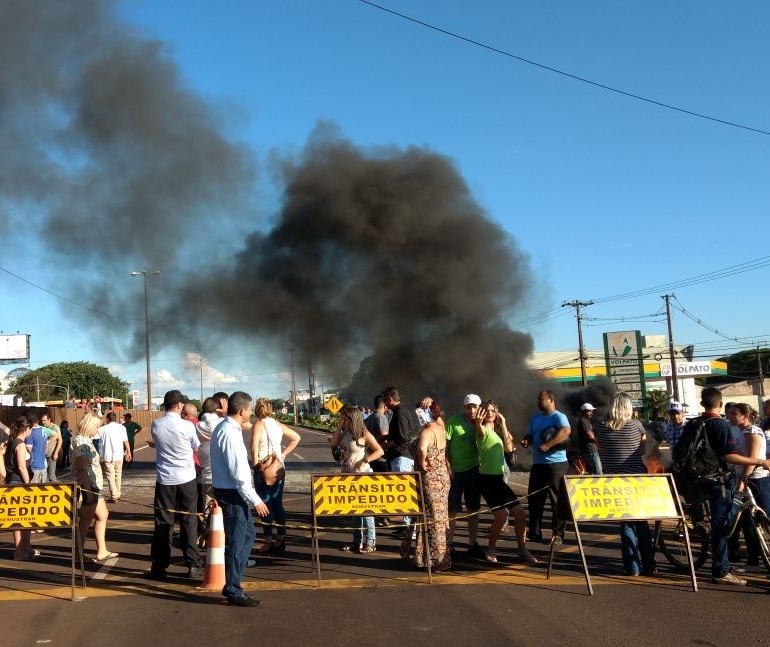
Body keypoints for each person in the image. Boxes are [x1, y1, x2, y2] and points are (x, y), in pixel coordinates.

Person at [680, 387, 770, 585]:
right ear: (720, 404)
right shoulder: (719, 424)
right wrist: (760, 461)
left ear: (702, 404)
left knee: (725, 519)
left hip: (696, 478)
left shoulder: (693, 422)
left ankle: (723, 549)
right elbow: (728, 456)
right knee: (722, 526)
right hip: (717, 480)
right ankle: (720, 570)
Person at [211, 391, 270, 607]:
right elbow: (239, 474)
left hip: (230, 491)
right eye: (249, 408)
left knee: (247, 536)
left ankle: (234, 582)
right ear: (243, 410)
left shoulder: (226, 427)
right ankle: (233, 589)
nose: (251, 412)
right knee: (237, 542)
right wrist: (256, 500)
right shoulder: (229, 432)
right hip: (233, 493)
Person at [593, 392, 656, 576]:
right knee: (641, 521)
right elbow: (643, 450)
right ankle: (649, 564)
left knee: (626, 522)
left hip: (614, 480)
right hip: (637, 479)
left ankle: (632, 566)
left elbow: (601, 449)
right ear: (628, 408)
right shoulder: (636, 426)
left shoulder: (600, 428)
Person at [147, 390, 203, 580]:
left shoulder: (156, 424)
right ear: (179, 405)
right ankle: (193, 564)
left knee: (163, 523)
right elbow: (196, 446)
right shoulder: (187, 426)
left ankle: (159, 566)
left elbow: (157, 442)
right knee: (189, 521)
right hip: (186, 478)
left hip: (164, 479)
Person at [475, 401, 535, 564]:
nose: (490, 413)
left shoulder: (499, 432)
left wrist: (504, 423)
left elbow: (510, 448)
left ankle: (522, 549)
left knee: (520, 514)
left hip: (499, 479)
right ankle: (491, 548)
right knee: (501, 517)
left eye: (493, 410)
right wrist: (478, 422)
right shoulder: (482, 429)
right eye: (486, 410)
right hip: (487, 479)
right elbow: (480, 432)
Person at [329, 405, 384, 554]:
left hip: (362, 475)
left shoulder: (363, 433)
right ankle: (356, 542)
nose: (343, 419)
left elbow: (379, 451)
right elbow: (334, 443)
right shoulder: (345, 432)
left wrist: (365, 460)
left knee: (366, 511)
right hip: (348, 476)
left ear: (352, 417)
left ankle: (370, 542)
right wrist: (340, 426)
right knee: (354, 511)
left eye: (344, 417)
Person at [438, 394, 485, 560]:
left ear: (480, 407)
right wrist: (447, 465)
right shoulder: (453, 421)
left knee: (473, 509)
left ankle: (473, 543)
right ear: (464, 407)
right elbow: (445, 446)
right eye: (468, 407)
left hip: (474, 471)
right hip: (455, 473)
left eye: (475, 407)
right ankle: (450, 544)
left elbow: (486, 439)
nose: (472, 410)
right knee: (452, 510)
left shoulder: (483, 422)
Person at [251, 398, 301, 553]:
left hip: (264, 468)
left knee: (265, 505)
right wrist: (284, 454)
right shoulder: (278, 424)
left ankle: (268, 540)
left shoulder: (259, 424)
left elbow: (253, 445)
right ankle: (281, 538)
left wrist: (256, 464)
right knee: (278, 504)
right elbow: (296, 437)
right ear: (270, 409)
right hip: (279, 468)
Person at [522, 390, 570, 545]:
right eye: (538, 399)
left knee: (557, 500)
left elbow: (565, 431)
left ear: (551, 400)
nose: (538, 402)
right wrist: (526, 440)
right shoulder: (535, 418)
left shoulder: (558, 416)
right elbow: (530, 434)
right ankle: (535, 533)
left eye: (541, 399)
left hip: (556, 464)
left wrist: (548, 444)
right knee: (535, 499)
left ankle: (558, 534)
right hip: (539, 464)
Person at [728, 403, 770, 573]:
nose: (730, 417)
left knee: (765, 519)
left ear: (745, 415)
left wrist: (743, 480)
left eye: (734, 414)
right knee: (748, 523)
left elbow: (753, 459)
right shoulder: (742, 432)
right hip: (746, 481)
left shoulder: (753, 432)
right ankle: (754, 561)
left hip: (757, 482)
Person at [71, 413, 118, 563]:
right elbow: (82, 469)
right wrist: (88, 491)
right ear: (89, 426)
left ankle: (102, 550)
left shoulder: (87, 441)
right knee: (85, 521)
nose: (98, 430)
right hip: (88, 487)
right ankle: (78, 555)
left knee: (102, 515)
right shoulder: (81, 442)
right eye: (97, 426)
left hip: (94, 486)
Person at [413, 402, 451, 571]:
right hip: (443, 476)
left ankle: (436, 560)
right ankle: (435, 557)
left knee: (432, 519)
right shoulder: (441, 428)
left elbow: (421, 449)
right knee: (441, 517)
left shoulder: (427, 432)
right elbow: (439, 418)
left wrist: (422, 463)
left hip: (431, 477)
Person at [382, 387, 420, 540]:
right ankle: (407, 527)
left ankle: (410, 529)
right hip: (399, 457)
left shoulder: (400, 413)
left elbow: (403, 438)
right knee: (403, 493)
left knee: (405, 493)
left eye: (385, 400)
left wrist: (387, 444)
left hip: (401, 457)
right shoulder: (399, 412)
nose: (384, 403)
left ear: (390, 398)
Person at [5, 417, 36, 560]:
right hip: (18, 484)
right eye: (31, 429)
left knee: (25, 519)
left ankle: (25, 547)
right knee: (20, 519)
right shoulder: (20, 445)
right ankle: (19, 551)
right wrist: (28, 484)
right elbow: (22, 467)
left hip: (13, 482)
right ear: (27, 429)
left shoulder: (12, 441)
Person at [98, 411, 131, 502]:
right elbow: (125, 441)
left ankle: (114, 495)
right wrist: (129, 452)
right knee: (118, 474)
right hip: (119, 455)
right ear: (115, 419)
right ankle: (118, 492)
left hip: (107, 456)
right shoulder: (122, 428)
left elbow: (95, 439)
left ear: (107, 419)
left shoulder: (102, 429)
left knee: (110, 476)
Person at [364, 395, 390, 474]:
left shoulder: (368, 418)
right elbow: (384, 436)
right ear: (384, 405)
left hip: (370, 456)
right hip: (380, 458)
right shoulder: (381, 417)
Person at [576, 403, 601, 475]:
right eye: (588, 411)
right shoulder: (583, 421)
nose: (591, 413)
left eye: (591, 411)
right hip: (590, 450)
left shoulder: (585, 421)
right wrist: (598, 444)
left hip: (588, 450)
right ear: (583, 412)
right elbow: (590, 435)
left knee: (591, 472)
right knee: (598, 472)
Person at [26, 413, 48, 484]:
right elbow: (46, 449)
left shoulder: (30, 433)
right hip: (43, 465)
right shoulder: (44, 430)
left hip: (33, 467)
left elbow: (28, 451)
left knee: (33, 491)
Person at [40, 413, 62, 482]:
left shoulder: (55, 427)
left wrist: (56, 453)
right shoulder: (41, 427)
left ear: (49, 419)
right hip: (43, 455)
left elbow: (60, 440)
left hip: (51, 454)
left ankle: (57, 489)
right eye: (42, 420)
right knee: (44, 476)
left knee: (51, 475)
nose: (43, 422)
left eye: (44, 420)